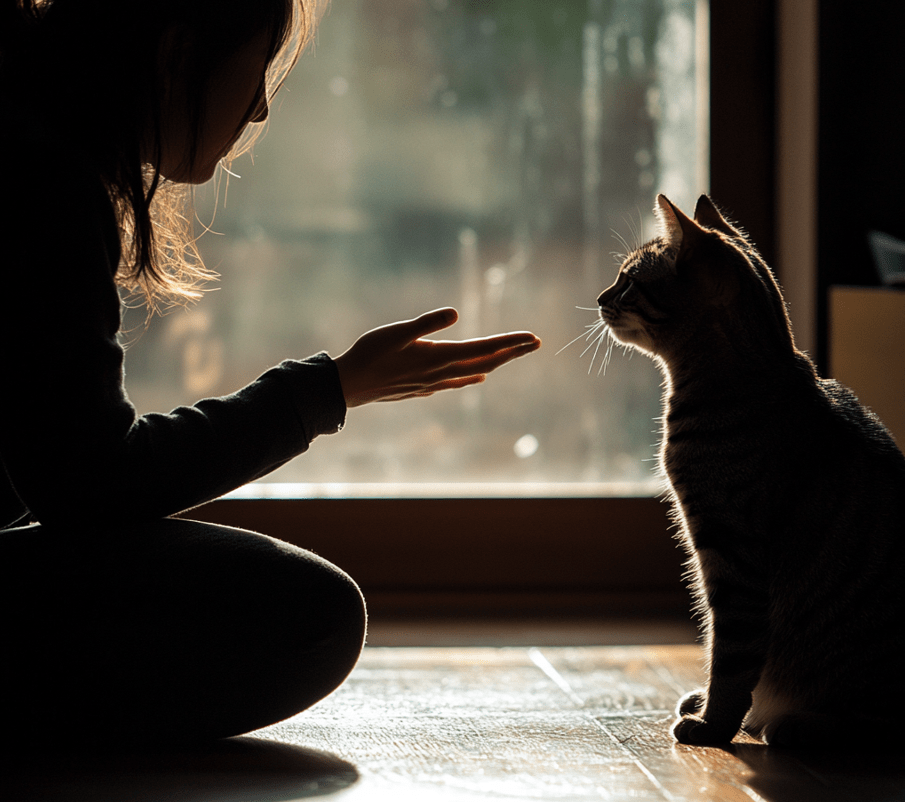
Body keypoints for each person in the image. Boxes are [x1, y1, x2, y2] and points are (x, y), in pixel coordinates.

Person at [0, 0, 540, 747]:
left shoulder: (26, 136)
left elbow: (56, 460)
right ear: (174, 54)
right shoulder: (40, 178)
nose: (257, 109)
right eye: (254, 73)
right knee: (309, 616)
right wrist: (327, 391)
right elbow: (93, 483)